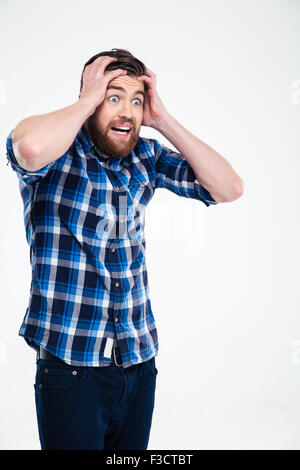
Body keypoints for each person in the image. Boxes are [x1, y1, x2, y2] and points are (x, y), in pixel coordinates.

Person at [6, 48, 244, 450]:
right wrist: (86, 101)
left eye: (136, 101)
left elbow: (229, 188)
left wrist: (162, 119)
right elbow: (27, 149)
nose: (127, 112)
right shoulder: (55, 150)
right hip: (71, 366)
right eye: (113, 97)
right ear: (90, 97)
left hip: (138, 361)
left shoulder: (145, 156)